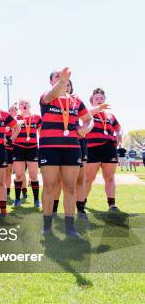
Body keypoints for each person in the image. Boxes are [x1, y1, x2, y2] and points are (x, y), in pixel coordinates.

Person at [39, 68, 93, 236]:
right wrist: (62, 81)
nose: (64, 79)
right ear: (51, 81)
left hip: (72, 148)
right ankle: (47, 226)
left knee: (70, 188)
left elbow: (89, 118)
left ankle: (70, 227)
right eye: (57, 76)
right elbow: (50, 95)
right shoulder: (46, 96)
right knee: (49, 186)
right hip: (49, 148)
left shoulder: (76, 101)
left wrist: (85, 129)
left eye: (66, 77)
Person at [83, 88, 119, 211]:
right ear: (92, 101)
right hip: (92, 148)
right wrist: (97, 108)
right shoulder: (88, 112)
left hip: (109, 147)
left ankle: (112, 204)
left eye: (101, 98)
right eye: (96, 98)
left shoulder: (111, 116)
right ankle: (82, 202)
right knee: (88, 178)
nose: (99, 100)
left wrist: (118, 135)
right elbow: (85, 114)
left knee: (110, 177)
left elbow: (119, 128)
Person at [12, 98, 42, 208]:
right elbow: (9, 130)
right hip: (18, 148)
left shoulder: (37, 118)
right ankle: (17, 199)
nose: (24, 104)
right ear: (19, 107)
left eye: (26, 103)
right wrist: (15, 124)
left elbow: (41, 133)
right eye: (22, 103)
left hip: (33, 148)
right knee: (19, 175)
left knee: (34, 175)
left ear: (30, 105)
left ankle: (37, 200)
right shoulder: (15, 118)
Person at [4, 103, 18, 202]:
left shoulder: (21, 120)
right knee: (7, 172)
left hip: (18, 149)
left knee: (19, 173)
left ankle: (23, 192)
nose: (12, 111)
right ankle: (7, 192)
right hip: (7, 149)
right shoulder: (5, 121)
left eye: (14, 110)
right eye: (11, 110)